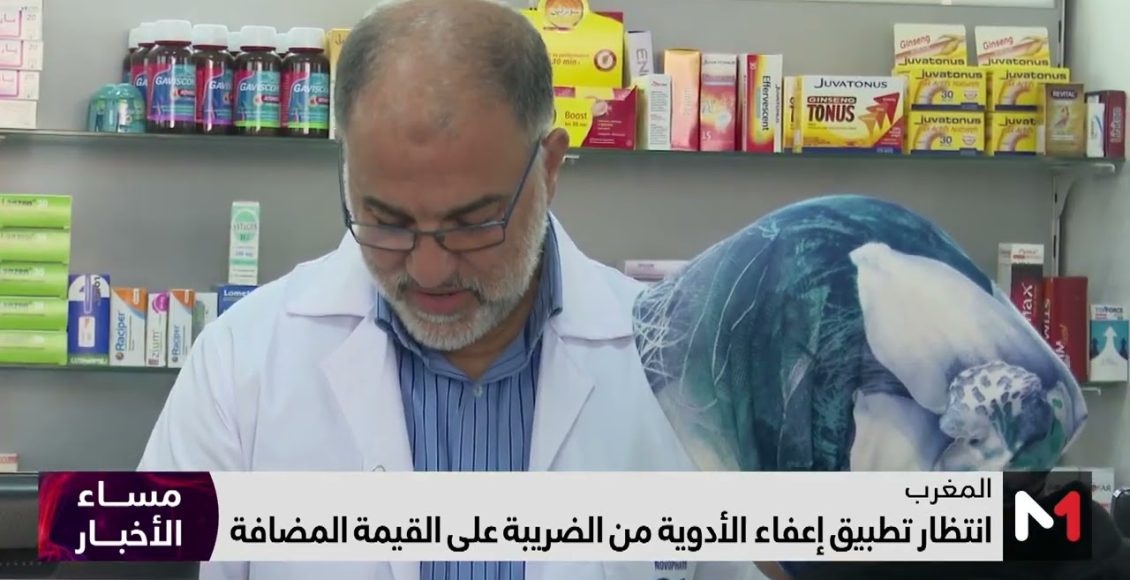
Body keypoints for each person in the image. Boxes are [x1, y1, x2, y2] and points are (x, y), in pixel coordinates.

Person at [138, 1, 759, 579]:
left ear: (548, 169)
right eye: (387, 222)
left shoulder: (680, 371)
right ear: (348, 175)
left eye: (473, 224)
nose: (430, 270)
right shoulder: (238, 366)